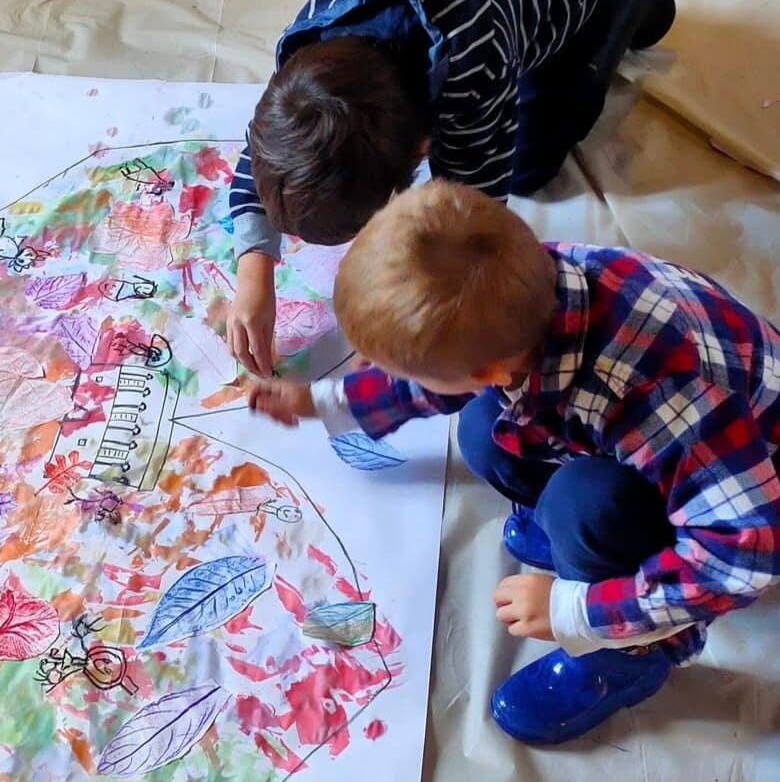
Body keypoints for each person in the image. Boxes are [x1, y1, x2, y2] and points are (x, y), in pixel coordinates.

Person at [246, 181, 780, 745]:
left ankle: (629, 659)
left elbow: (745, 554)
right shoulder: (519, 289)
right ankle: (576, 537)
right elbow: (445, 371)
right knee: (484, 430)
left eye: (407, 372)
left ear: (488, 372)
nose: (404, 380)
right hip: (646, 438)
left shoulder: (658, 392)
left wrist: (577, 611)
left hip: (738, 485)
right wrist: (326, 402)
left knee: (582, 505)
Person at [225, 0, 676, 376]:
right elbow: (271, 148)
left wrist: (404, 318)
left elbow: (473, 213)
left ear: (420, 150)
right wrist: (254, 272)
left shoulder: (474, 63)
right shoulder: (309, 46)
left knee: (531, 162)